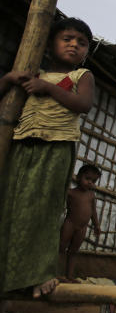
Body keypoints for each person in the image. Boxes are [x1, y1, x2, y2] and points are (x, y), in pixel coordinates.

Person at [0, 17, 95, 297]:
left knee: (44, 210)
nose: (74, 45)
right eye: (67, 39)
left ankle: (41, 273)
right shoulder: (32, 74)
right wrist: (7, 79)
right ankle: (9, 278)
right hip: (20, 146)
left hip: (56, 148)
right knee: (10, 209)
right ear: (51, 43)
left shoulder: (81, 76)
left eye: (81, 43)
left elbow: (83, 104)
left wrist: (49, 89)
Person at [60, 164, 102, 282]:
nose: (90, 182)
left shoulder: (91, 195)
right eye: (87, 178)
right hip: (70, 223)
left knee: (73, 252)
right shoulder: (70, 193)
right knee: (61, 248)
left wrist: (96, 225)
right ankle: (55, 273)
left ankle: (69, 275)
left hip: (82, 227)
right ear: (78, 177)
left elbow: (93, 212)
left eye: (93, 181)